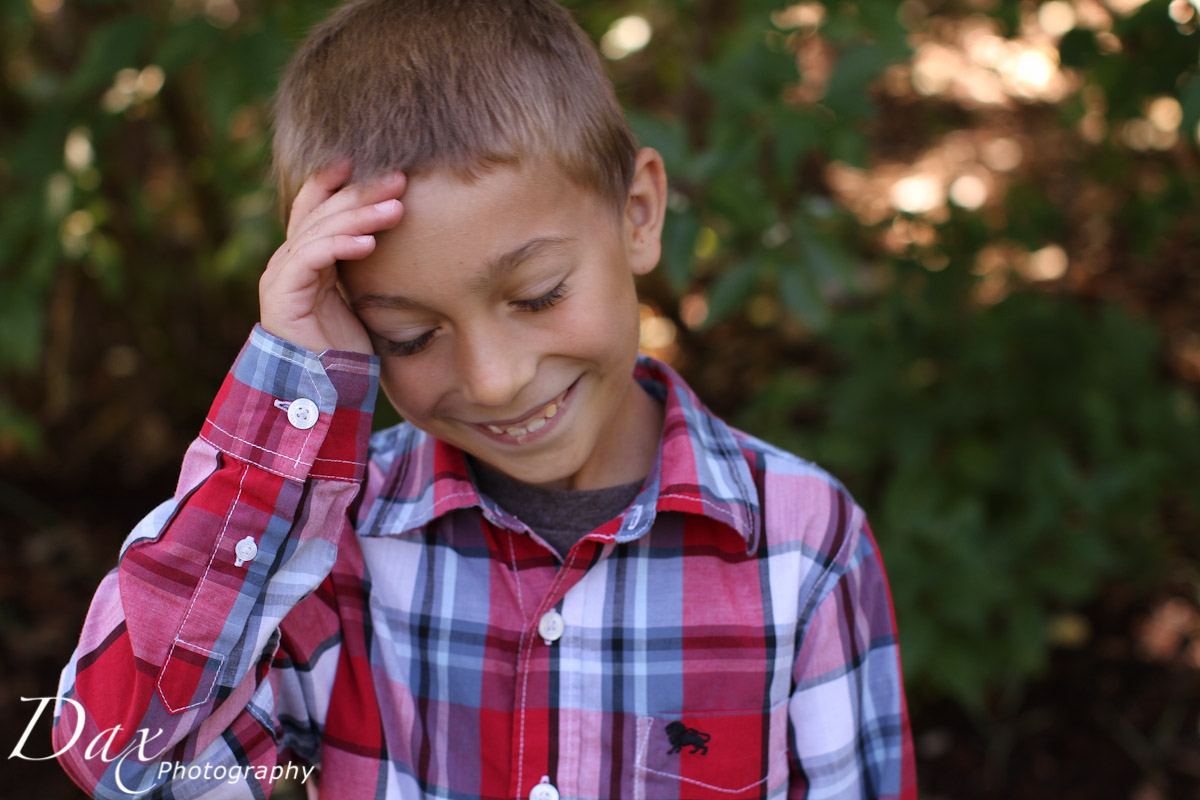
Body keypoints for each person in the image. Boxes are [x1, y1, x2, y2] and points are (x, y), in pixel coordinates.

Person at [53, 0, 916, 797]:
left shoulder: (802, 543)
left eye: (537, 295)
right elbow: (126, 764)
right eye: (409, 337)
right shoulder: (328, 553)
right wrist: (289, 386)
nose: (495, 378)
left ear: (640, 213)